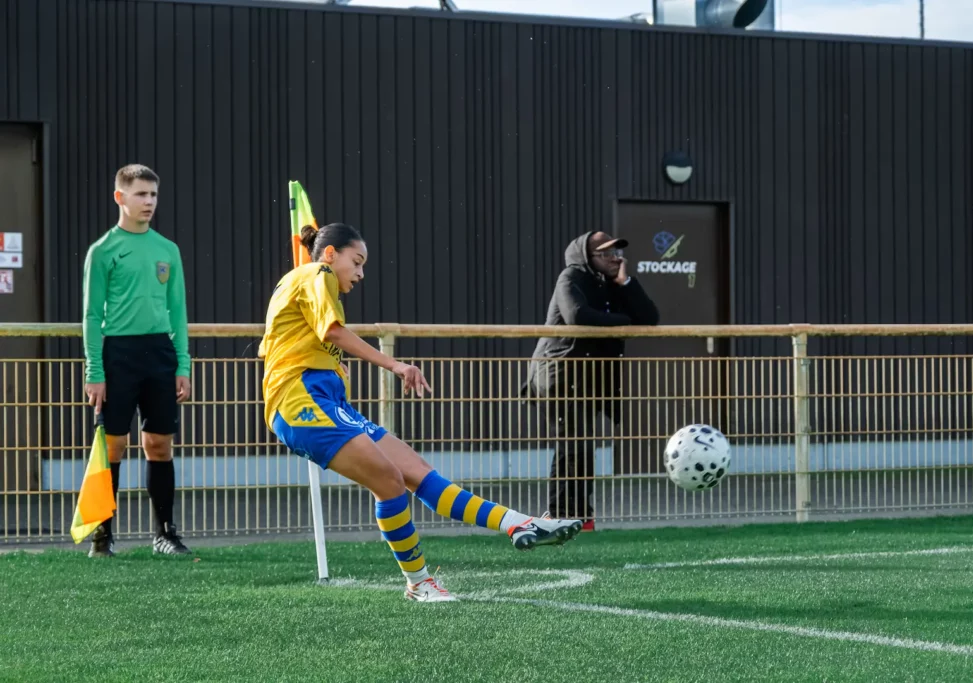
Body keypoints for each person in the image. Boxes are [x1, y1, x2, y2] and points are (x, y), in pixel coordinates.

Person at [258, 222, 583, 603]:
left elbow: (302, 340)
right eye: (357, 262)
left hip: (324, 400)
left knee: (417, 472)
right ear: (331, 254)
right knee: (390, 480)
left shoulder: (308, 278)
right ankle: (420, 583)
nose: (361, 273)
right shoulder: (320, 272)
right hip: (301, 402)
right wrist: (395, 365)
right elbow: (332, 332)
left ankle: (519, 524)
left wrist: (333, 368)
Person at [82, 164, 193, 557]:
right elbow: (92, 316)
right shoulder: (103, 251)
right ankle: (103, 534)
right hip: (118, 356)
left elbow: (177, 311)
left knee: (159, 445)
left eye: (153, 195)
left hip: (159, 354)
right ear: (120, 197)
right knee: (113, 446)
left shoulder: (168, 250)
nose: (149, 202)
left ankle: (164, 533)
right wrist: (95, 370)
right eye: (141, 194)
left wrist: (183, 364)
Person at [522, 231, 660, 532]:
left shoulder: (611, 285)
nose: (615, 259)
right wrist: (625, 321)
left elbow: (650, 317)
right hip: (558, 373)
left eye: (617, 253)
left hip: (586, 376)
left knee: (582, 443)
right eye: (607, 254)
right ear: (588, 257)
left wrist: (625, 284)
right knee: (572, 443)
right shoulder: (571, 277)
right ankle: (560, 516)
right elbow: (577, 315)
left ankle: (581, 518)